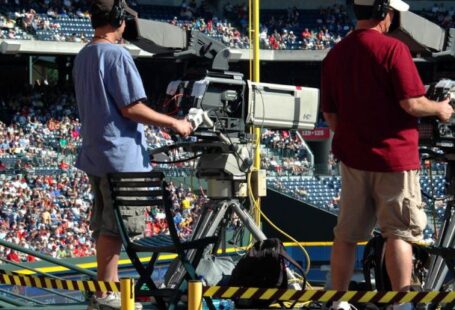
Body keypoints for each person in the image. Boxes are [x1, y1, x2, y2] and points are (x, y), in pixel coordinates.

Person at [320, 0, 453, 309]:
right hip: (394, 159)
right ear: (384, 13)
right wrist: (441, 109)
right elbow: (412, 104)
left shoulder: (335, 54)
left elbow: (331, 117)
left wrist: (357, 138)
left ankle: (338, 302)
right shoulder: (393, 50)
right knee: (398, 233)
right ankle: (402, 302)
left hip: (353, 159)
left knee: (347, 235)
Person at [72, 0, 193, 309]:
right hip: (121, 158)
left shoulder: (84, 54)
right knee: (116, 230)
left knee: (104, 227)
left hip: (95, 156)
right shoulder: (117, 55)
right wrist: (175, 123)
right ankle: (108, 295)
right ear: (119, 20)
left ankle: (104, 293)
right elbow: (131, 108)